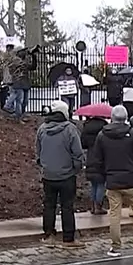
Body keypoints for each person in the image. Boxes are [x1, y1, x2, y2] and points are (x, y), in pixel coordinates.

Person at [90, 105, 133, 256]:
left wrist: (106, 176)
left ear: (112, 117)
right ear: (126, 118)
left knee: (115, 214)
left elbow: (98, 159)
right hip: (132, 180)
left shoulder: (102, 135)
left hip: (113, 181)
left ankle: (115, 247)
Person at [36, 100, 85, 248]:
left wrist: (44, 165)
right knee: (67, 206)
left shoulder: (42, 129)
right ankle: (68, 238)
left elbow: (38, 151)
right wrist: (76, 168)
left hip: (48, 175)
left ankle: (48, 235)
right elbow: (77, 152)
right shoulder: (70, 129)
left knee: (49, 205)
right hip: (66, 175)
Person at [81, 113, 110, 215]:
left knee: (94, 184)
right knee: (101, 183)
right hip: (101, 157)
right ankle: (98, 206)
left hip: (90, 156)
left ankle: (93, 206)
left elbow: (83, 143)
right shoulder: (104, 126)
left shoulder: (86, 126)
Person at [4, 46, 36, 121]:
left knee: (25, 101)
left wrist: (33, 57)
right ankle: (18, 115)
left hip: (25, 83)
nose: (25, 53)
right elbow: (15, 68)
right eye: (23, 51)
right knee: (19, 100)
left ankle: (22, 114)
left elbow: (33, 67)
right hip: (18, 83)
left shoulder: (24, 61)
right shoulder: (15, 61)